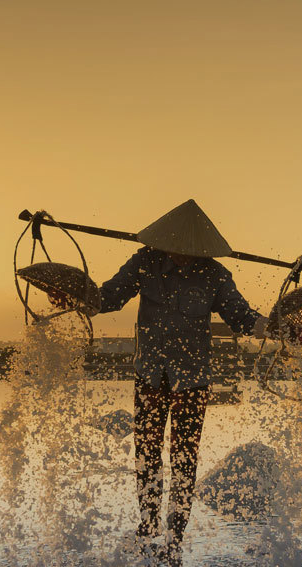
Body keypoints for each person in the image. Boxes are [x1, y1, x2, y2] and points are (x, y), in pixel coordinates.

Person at [94, 200, 272, 548]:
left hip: (192, 381)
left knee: (184, 457)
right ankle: (147, 525)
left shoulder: (215, 275)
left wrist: (272, 327)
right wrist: (76, 297)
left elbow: (241, 317)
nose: (182, 257)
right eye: (176, 250)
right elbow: (108, 298)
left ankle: (175, 535)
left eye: (189, 252)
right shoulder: (144, 262)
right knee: (146, 454)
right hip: (150, 376)